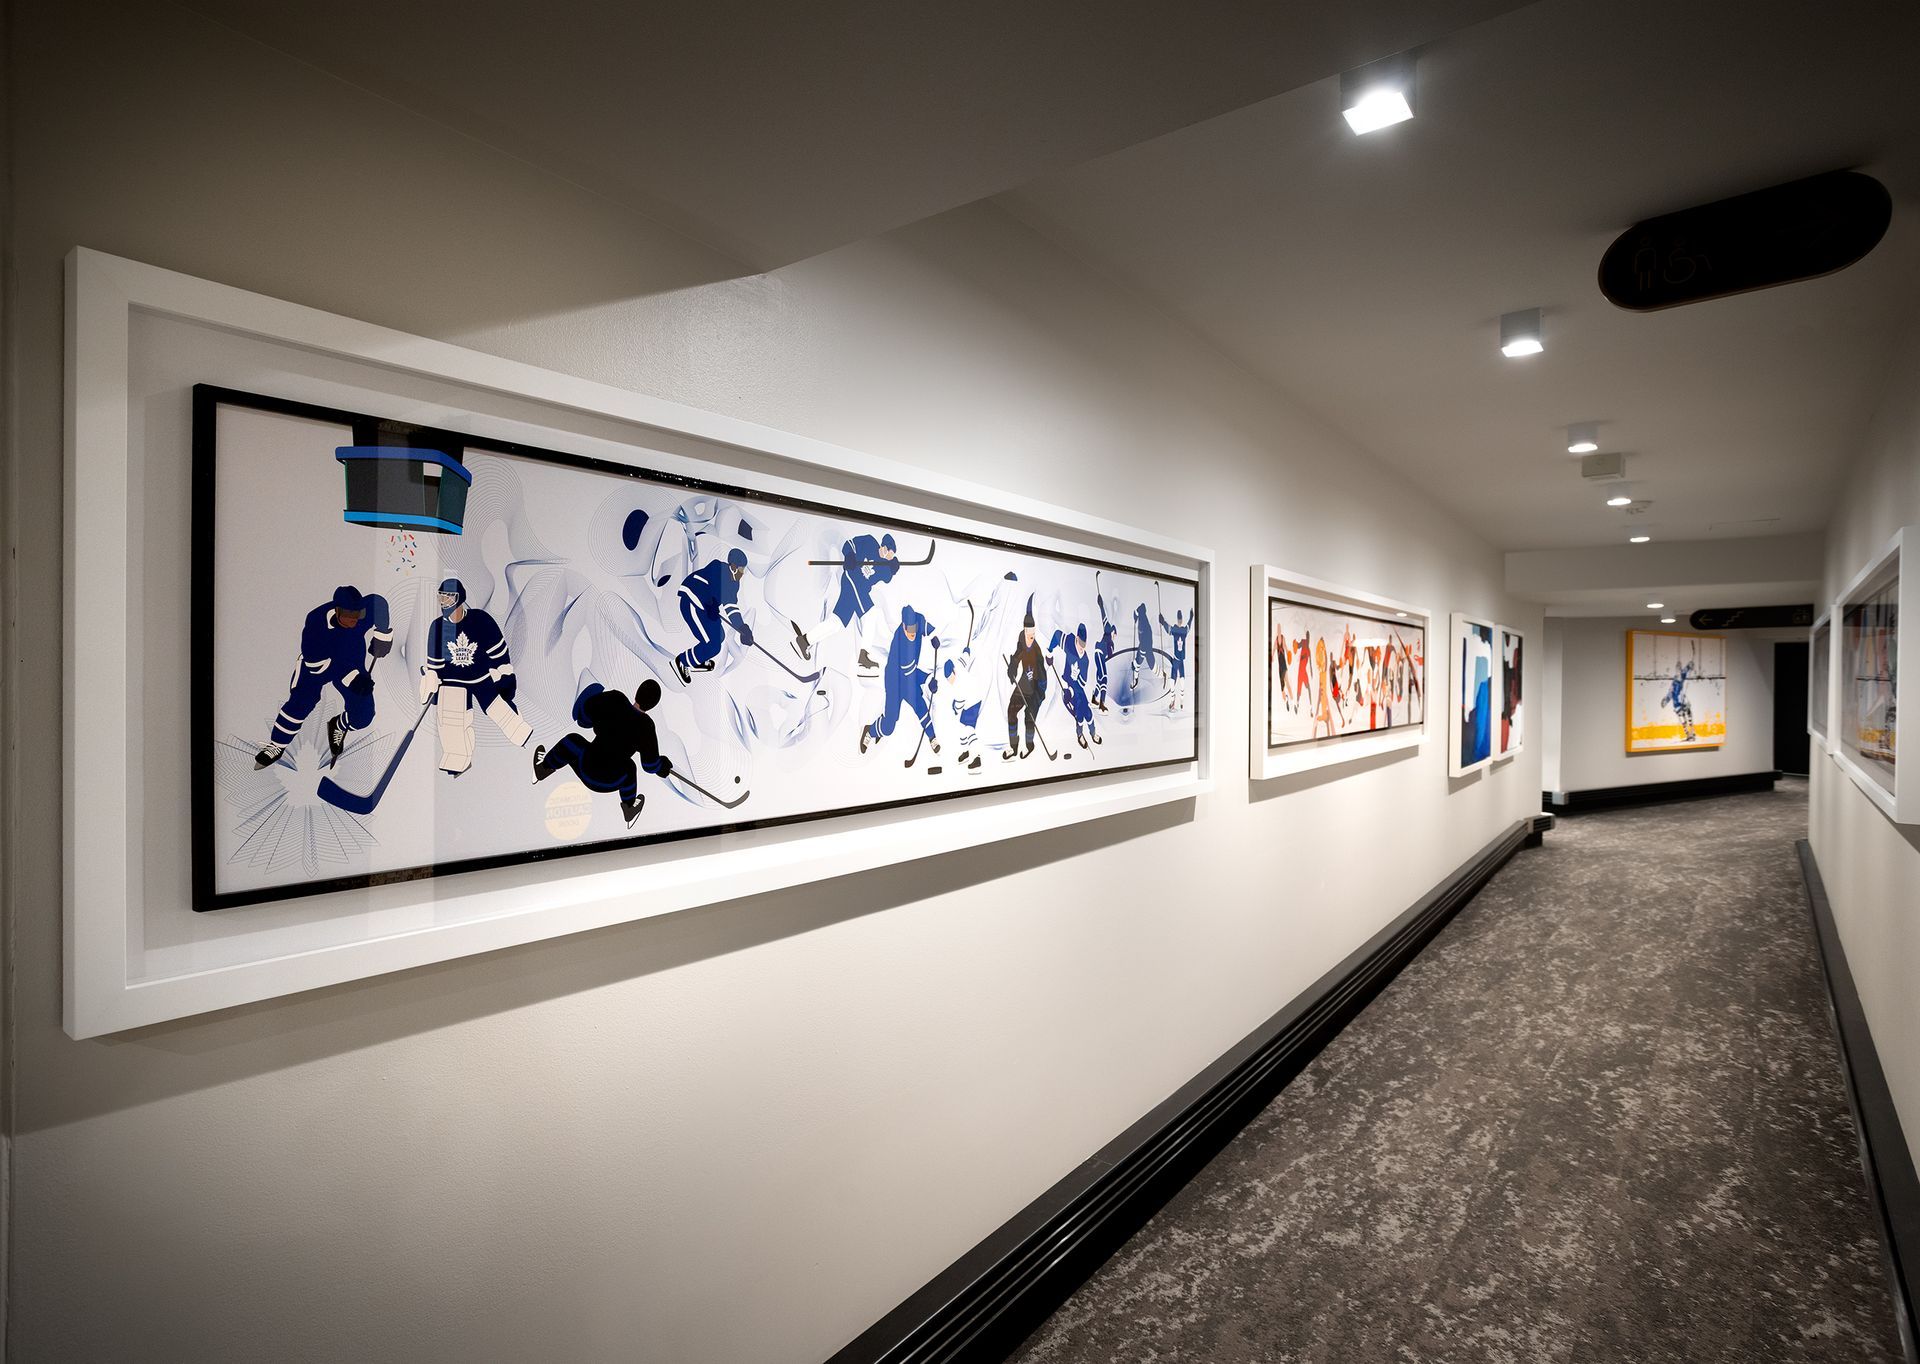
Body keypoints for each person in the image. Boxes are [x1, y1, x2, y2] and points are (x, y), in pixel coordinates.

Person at [254, 584, 394, 768]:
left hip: (352, 660)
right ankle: (276, 745)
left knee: (363, 716)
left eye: (357, 615)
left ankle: (339, 725)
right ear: (336, 610)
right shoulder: (316, 621)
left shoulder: (363, 612)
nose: (354, 621)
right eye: (348, 616)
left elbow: (380, 603)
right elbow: (315, 664)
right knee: (301, 702)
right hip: (319, 665)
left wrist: (382, 635)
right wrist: (353, 679)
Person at [419, 578, 532, 776]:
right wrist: (431, 682)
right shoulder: (437, 628)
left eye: (448, 598)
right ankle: (458, 758)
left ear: (459, 598)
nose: (444, 603)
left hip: (481, 676)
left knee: (501, 711)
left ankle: (523, 738)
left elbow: (499, 653)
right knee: (452, 720)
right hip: (453, 681)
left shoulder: (480, 620)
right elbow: (434, 666)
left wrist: (505, 675)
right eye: (441, 599)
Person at [533, 680, 673, 828]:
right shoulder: (647, 726)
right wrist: (662, 765)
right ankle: (629, 808)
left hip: (585, 767)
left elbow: (584, 716)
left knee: (573, 740)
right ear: (653, 704)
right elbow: (649, 765)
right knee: (630, 767)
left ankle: (543, 768)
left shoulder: (615, 699)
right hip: (610, 781)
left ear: (637, 692)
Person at [791, 532, 899, 666]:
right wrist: (849, 556)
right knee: (871, 614)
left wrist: (892, 569)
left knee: (836, 623)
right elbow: (849, 544)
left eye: (891, 555)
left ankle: (805, 641)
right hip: (852, 579)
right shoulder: (869, 542)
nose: (888, 555)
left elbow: (887, 578)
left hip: (861, 590)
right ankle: (864, 655)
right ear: (883, 546)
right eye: (888, 552)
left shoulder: (884, 566)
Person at [860, 606, 939, 755]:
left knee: (921, 707)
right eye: (908, 629)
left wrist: (934, 637)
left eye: (914, 628)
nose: (912, 632)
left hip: (909, 676)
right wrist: (928, 679)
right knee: (889, 727)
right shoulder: (902, 644)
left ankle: (932, 737)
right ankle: (870, 731)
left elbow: (928, 629)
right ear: (903, 626)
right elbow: (911, 674)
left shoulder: (918, 620)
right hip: (895, 682)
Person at [673, 548, 753, 685]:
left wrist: (742, 628)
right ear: (733, 567)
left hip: (708, 609)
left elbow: (731, 606)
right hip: (692, 603)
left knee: (720, 636)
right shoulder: (718, 568)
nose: (742, 573)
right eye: (741, 569)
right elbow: (702, 586)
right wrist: (709, 603)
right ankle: (683, 661)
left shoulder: (734, 583)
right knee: (713, 645)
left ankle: (696, 658)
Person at [1005, 596, 1047, 759]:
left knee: (1029, 717)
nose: (1031, 637)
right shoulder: (1022, 638)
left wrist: (1039, 695)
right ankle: (1013, 747)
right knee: (1011, 711)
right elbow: (1017, 655)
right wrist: (1012, 668)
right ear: (1024, 631)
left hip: (1036, 687)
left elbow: (1043, 678)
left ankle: (1029, 745)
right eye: (1029, 634)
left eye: (1033, 635)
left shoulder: (1037, 652)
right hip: (1024, 683)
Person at [1051, 622, 1100, 748]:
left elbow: (1083, 682)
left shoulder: (1085, 660)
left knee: (1088, 712)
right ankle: (1080, 735)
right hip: (1066, 681)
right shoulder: (1070, 642)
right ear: (1077, 638)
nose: (1081, 648)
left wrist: (1077, 676)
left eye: (1084, 645)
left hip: (1078, 688)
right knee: (1079, 714)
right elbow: (1057, 635)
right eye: (1080, 644)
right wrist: (1049, 651)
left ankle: (1093, 733)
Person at [1158, 607, 1192, 711]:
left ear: (1178, 619)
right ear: (1181, 619)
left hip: (1177, 659)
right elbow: (1189, 626)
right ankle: (1181, 700)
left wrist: (1162, 621)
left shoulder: (1175, 629)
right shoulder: (1184, 631)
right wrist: (1191, 617)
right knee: (1182, 677)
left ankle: (1173, 700)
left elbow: (1167, 628)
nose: (1180, 621)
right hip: (1181, 659)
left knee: (1172, 679)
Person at [1091, 592, 1118, 712]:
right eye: (1115, 634)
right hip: (1099, 653)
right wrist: (1101, 605)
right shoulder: (1108, 630)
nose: (1115, 636)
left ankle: (1093, 698)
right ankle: (1102, 703)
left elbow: (1111, 656)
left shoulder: (1112, 644)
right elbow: (1104, 617)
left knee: (1100, 679)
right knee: (1104, 678)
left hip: (1100, 656)